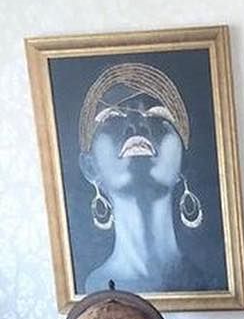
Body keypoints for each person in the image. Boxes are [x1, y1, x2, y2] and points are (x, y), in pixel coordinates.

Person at [77, 62, 209, 292]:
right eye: (112, 117)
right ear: (89, 167)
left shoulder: (206, 281)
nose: (136, 126)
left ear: (185, 162)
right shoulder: (94, 287)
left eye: (157, 115)